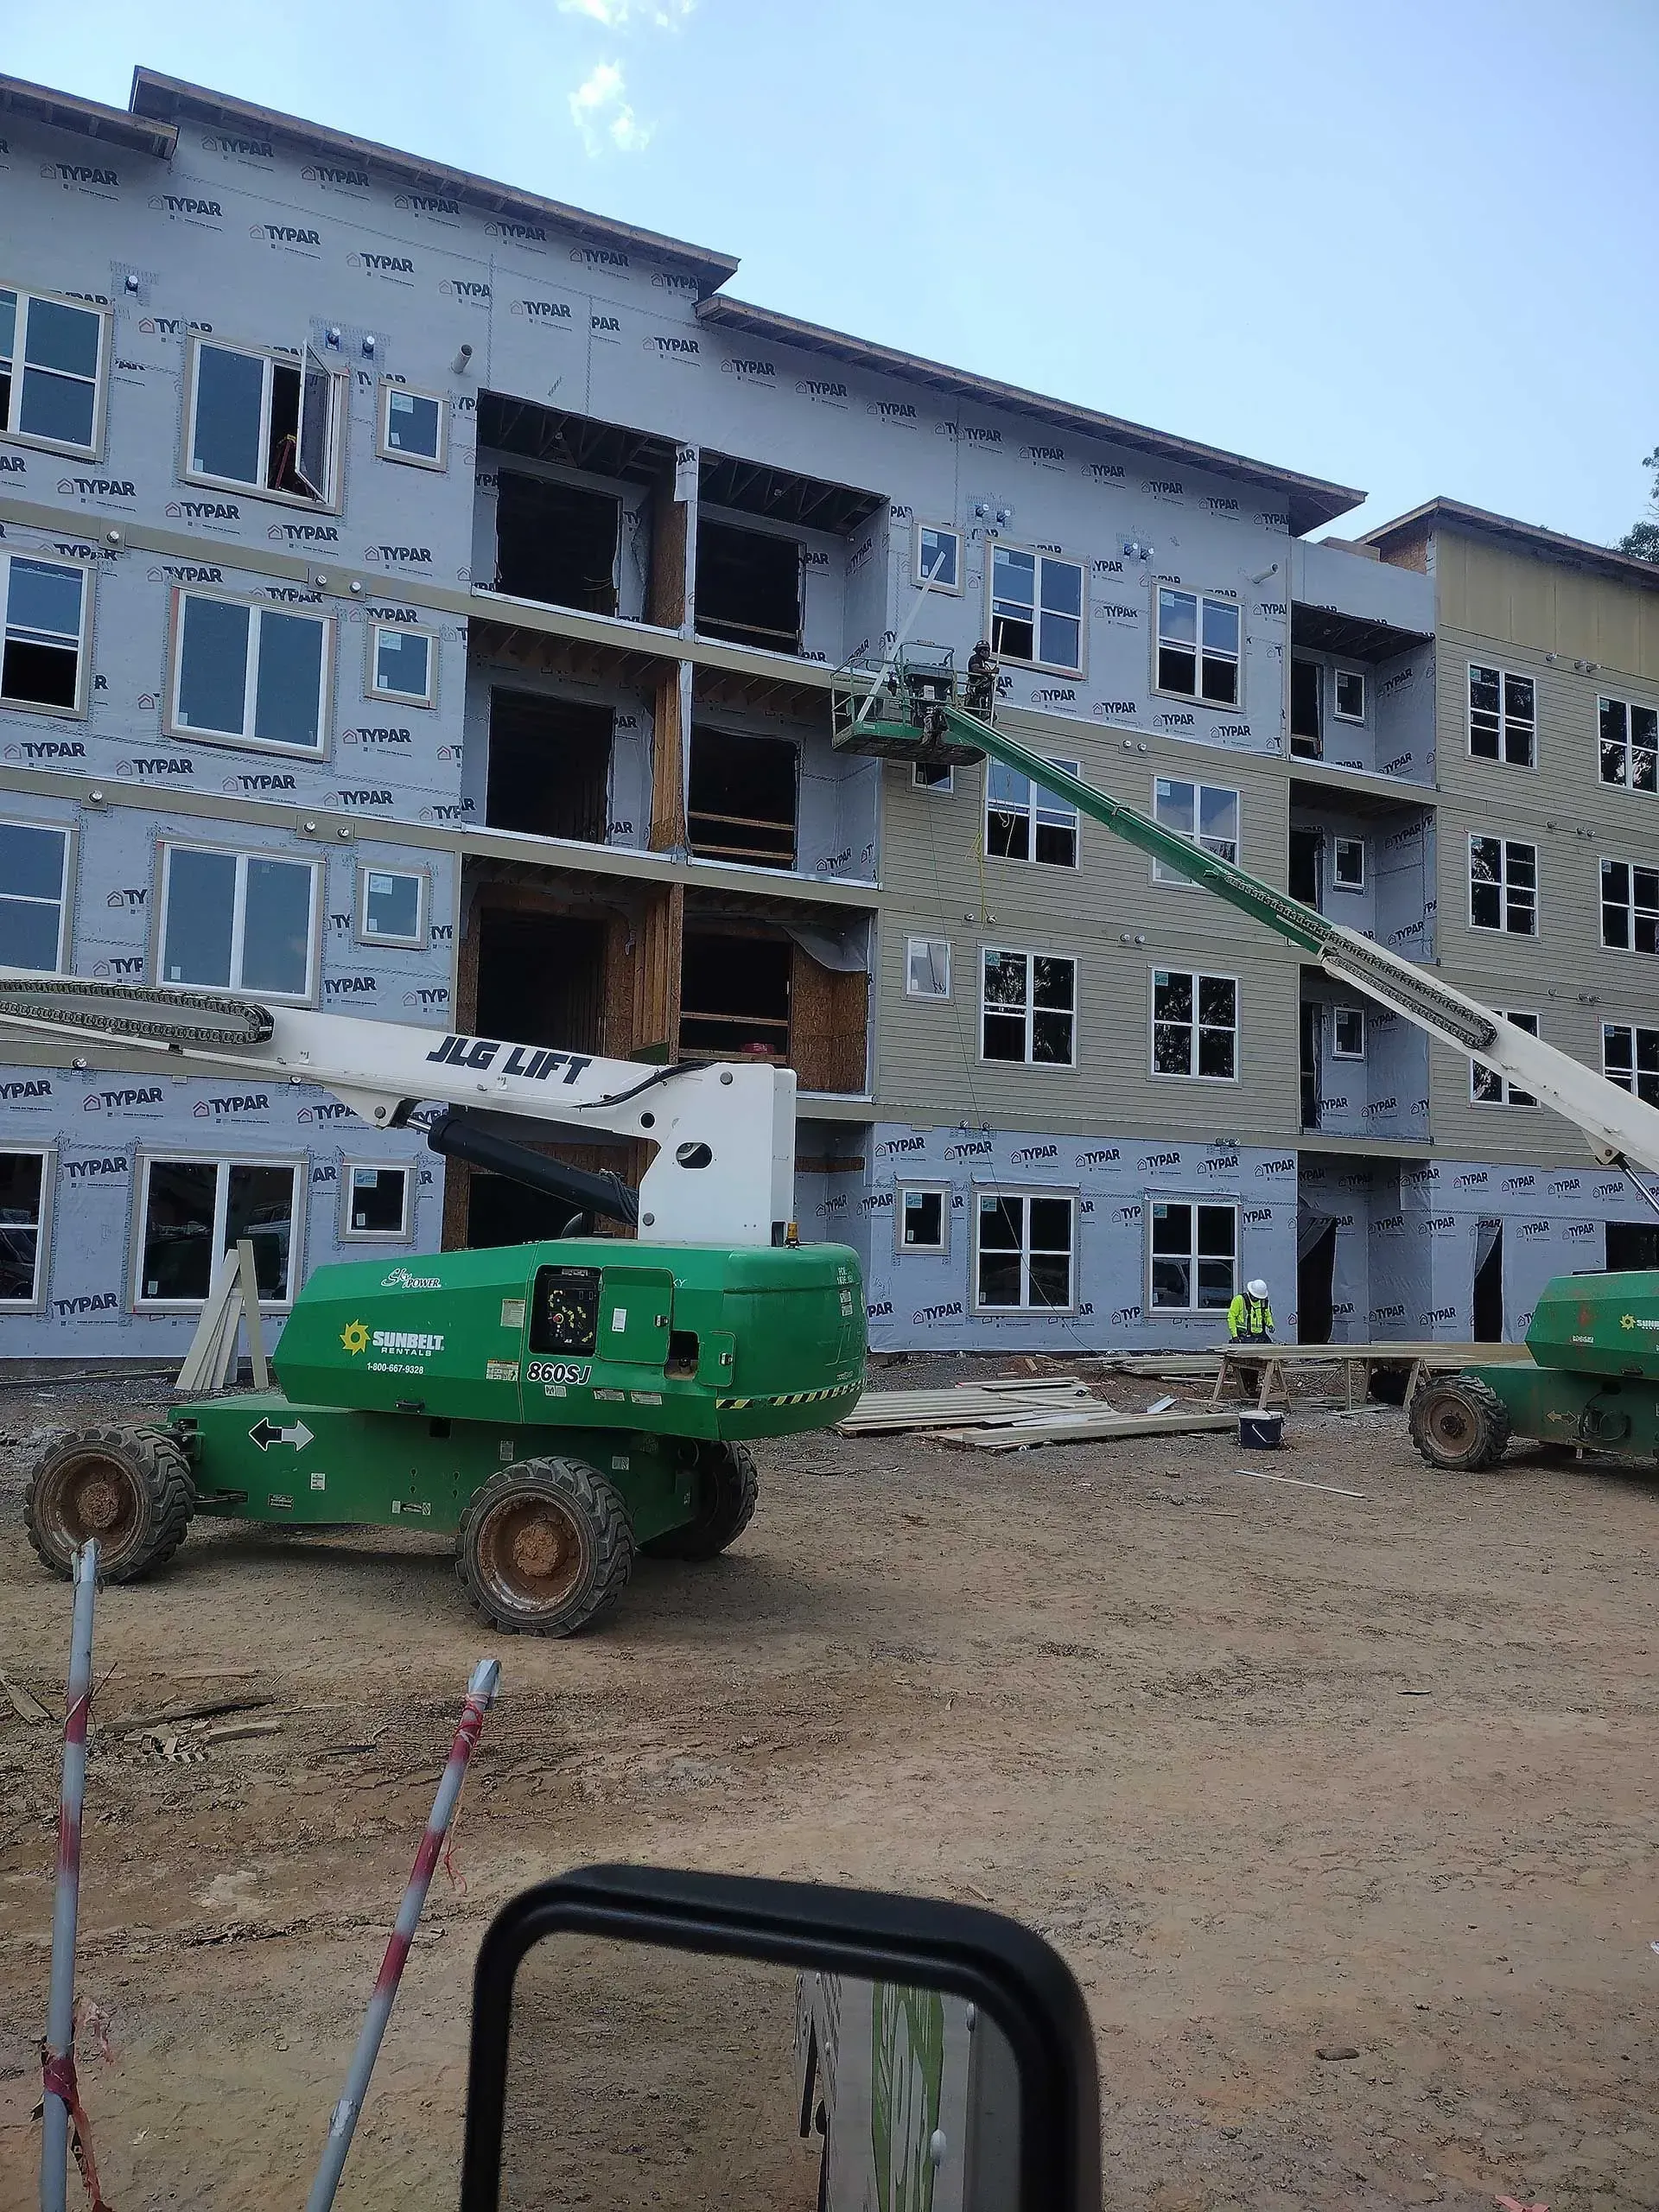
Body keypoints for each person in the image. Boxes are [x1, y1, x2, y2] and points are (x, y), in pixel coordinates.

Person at [1228, 1277, 1274, 1342]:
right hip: (1244, 1334)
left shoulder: (1264, 1302)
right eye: (1255, 1297)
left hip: (1260, 1334)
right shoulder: (1239, 1300)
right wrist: (1235, 1336)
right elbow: (1231, 1318)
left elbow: (1267, 1315)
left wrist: (1270, 1325)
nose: (1257, 1299)